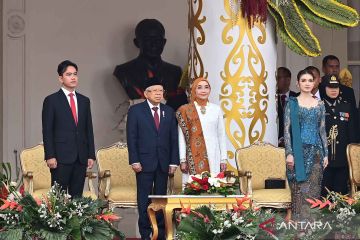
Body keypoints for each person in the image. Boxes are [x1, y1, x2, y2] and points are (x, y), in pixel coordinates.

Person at [126, 78, 179, 240]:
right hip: (143, 162)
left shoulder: (168, 111)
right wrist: (134, 160)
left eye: (161, 91)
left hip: (163, 163)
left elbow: (173, 139)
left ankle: (161, 233)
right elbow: (132, 137)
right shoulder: (135, 111)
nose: (158, 93)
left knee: (161, 199)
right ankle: (145, 233)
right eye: (155, 91)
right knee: (144, 199)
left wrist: (173, 161)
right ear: (146, 93)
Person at [42, 60, 95, 198]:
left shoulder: (84, 101)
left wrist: (90, 154)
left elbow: (88, 129)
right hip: (60, 157)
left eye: (75, 74)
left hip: (81, 156)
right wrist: (50, 155)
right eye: (69, 74)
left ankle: (77, 220)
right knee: (58, 198)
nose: (73, 77)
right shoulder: (51, 100)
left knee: (77, 198)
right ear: (60, 78)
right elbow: (47, 130)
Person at [284, 69, 328, 222]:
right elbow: (287, 131)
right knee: (298, 192)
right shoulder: (291, 103)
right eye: (304, 80)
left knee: (313, 192)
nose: (307, 83)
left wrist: (326, 154)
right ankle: (298, 231)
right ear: (298, 83)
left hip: (316, 153)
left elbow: (322, 130)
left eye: (310, 80)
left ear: (314, 82)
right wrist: (289, 153)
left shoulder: (320, 104)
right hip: (297, 153)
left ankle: (311, 231)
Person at [114, 18, 187, 110]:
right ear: (136, 43)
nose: (154, 45)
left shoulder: (175, 72)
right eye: (148, 39)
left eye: (158, 40)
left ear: (164, 42)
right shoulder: (123, 71)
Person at [176, 77, 227, 183]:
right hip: (193, 156)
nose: (203, 90)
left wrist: (223, 159)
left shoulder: (216, 109)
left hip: (213, 155)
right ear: (194, 90)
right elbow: (182, 138)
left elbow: (221, 135)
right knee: (193, 189)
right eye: (199, 87)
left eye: (206, 87)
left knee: (213, 187)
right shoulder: (185, 110)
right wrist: (182, 160)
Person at [321, 75, 356, 196]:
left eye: (336, 87)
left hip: (342, 159)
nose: (333, 90)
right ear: (324, 88)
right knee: (324, 197)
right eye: (330, 87)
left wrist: (351, 158)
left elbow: (352, 133)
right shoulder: (318, 106)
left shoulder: (346, 106)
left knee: (341, 196)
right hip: (324, 160)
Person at [276, 67, 297, 146]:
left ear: (288, 80)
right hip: (274, 142)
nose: (275, 81)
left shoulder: (297, 98)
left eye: (278, 78)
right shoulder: (270, 99)